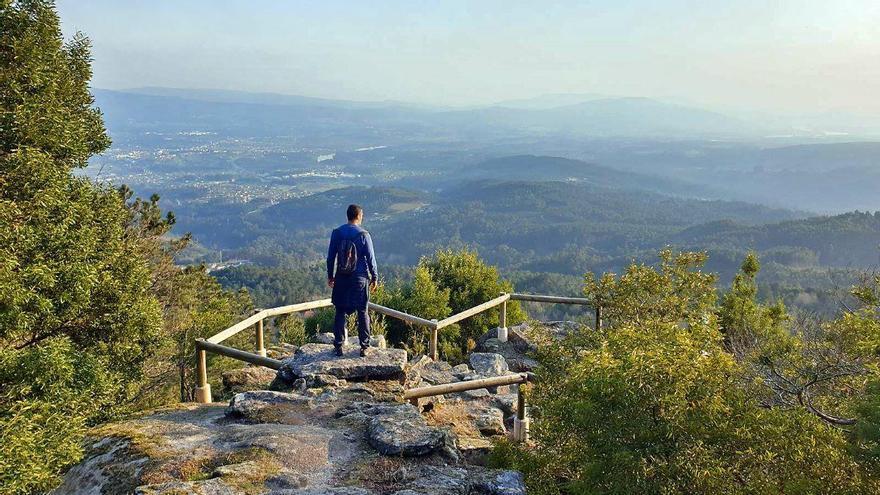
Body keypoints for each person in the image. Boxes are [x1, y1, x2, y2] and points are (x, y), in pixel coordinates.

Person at [327, 204, 378, 357]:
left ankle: (339, 345)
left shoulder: (337, 233)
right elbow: (370, 259)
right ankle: (364, 346)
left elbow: (330, 258)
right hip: (360, 278)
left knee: (340, 311)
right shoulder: (364, 235)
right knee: (362, 311)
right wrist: (375, 277)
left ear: (347, 216)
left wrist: (331, 276)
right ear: (359, 216)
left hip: (342, 277)